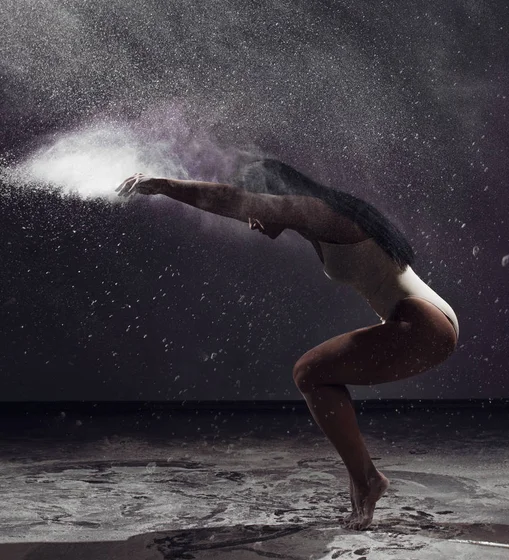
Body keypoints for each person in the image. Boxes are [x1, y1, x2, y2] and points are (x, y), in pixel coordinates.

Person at [115, 159, 459, 531]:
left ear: (274, 194)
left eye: (257, 206)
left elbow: (230, 200)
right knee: (314, 375)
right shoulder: (318, 219)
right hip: (424, 320)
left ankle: (367, 479)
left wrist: (163, 184)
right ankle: (364, 477)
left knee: (309, 372)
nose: (252, 220)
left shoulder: (319, 211)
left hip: (422, 323)